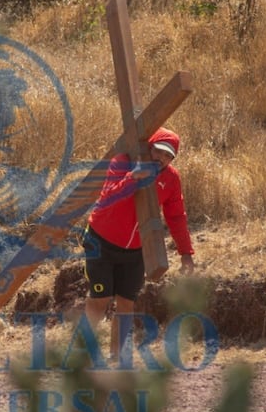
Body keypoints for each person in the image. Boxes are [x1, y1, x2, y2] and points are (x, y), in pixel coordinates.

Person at [82, 127, 195, 355]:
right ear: (149, 147)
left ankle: (115, 357)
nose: (161, 158)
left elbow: (176, 217)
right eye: (158, 151)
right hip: (101, 243)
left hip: (136, 251)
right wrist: (132, 178)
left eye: (168, 155)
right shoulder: (122, 162)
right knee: (100, 299)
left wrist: (186, 253)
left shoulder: (171, 178)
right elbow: (109, 198)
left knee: (126, 303)